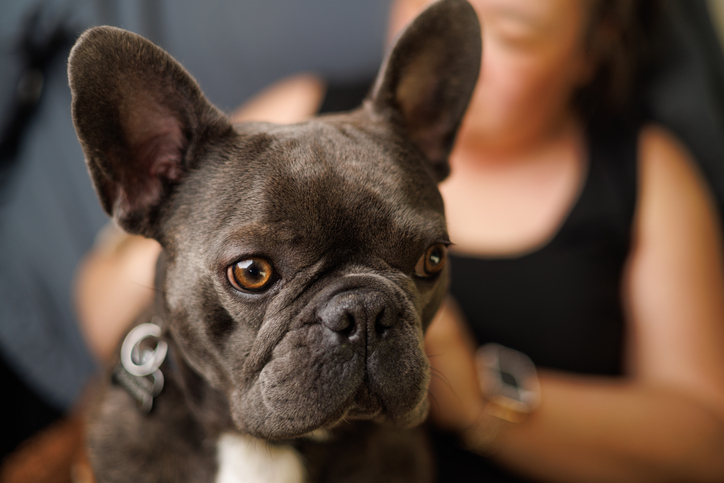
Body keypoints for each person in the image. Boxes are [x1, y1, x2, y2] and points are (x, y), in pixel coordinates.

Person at [75, 0, 724, 481]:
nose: (357, 318)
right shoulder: (295, 108)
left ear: (593, 48)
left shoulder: (642, 171)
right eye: (256, 272)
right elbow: (104, 297)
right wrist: (154, 223)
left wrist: (481, 396)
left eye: (425, 261)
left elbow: (707, 440)